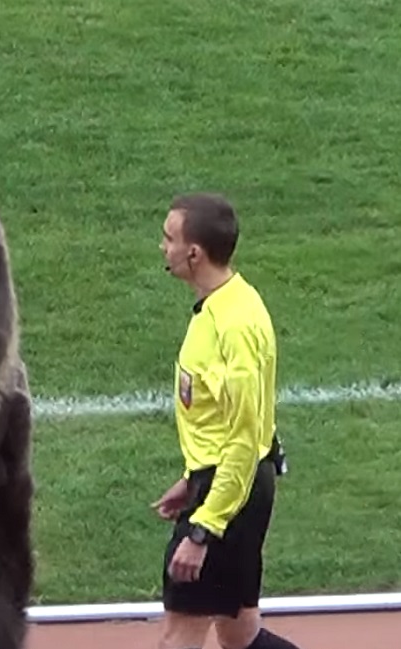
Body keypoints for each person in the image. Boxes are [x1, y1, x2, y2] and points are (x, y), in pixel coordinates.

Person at [152, 193, 298, 649]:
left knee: (180, 635)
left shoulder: (234, 326)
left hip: (229, 496)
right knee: (240, 635)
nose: (162, 246)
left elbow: (242, 439)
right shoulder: (225, 304)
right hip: (225, 484)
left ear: (193, 253)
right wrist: (191, 478)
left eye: (168, 238)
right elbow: (226, 424)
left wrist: (204, 527)